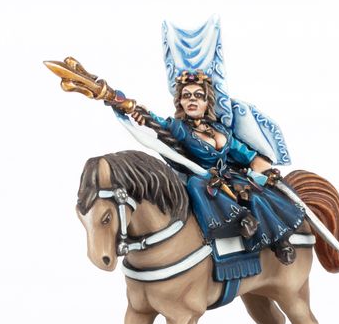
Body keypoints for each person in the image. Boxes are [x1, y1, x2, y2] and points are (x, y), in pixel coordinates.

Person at [126, 71, 305, 265]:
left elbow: (241, 151)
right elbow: (156, 123)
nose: (192, 100)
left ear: (207, 102)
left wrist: (260, 165)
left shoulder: (220, 129)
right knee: (197, 185)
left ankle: (280, 241)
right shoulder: (178, 127)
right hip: (203, 176)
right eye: (186, 96)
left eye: (198, 95)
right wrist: (141, 113)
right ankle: (241, 220)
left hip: (231, 174)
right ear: (180, 102)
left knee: (255, 196)